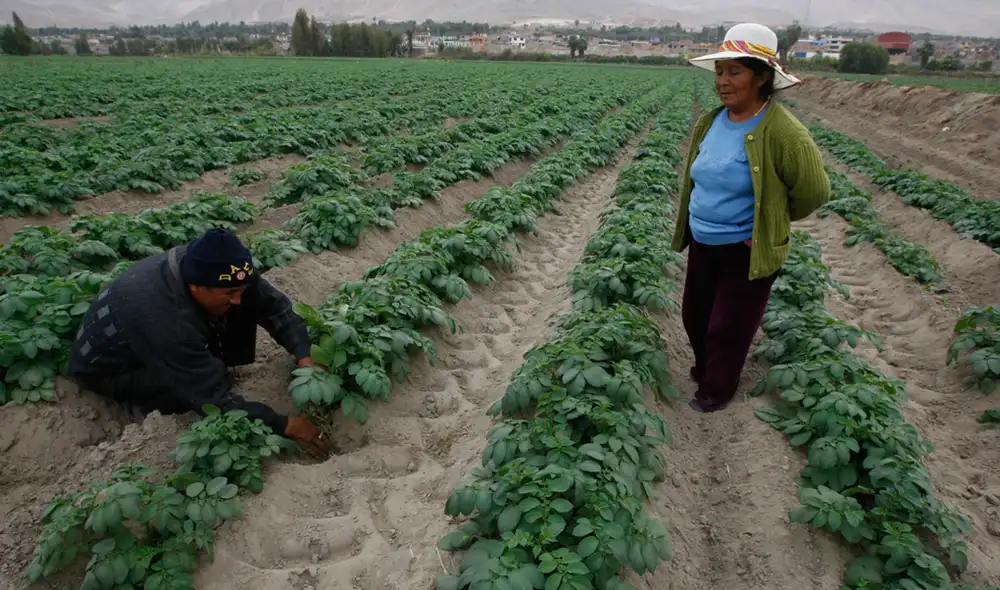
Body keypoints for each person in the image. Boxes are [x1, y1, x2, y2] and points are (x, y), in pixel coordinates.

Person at [671, 23, 830, 413]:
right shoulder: (711, 121)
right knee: (695, 315)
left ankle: (716, 390)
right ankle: (707, 367)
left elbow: (815, 190)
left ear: (762, 78)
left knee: (728, 325)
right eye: (720, 72)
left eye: (734, 72)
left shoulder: (783, 131)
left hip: (746, 245)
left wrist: (772, 216)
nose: (723, 81)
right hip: (704, 238)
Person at [68, 228, 330, 458]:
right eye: (229, 292)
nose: (237, 298)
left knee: (238, 307)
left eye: (241, 289)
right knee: (196, 389)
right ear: (196, 288)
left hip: (155, 334)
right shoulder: (166, 321)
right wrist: (286, 425)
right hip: (112, 370)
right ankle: (143, 403)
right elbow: (212, 399)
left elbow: (273, 308)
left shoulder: (221, 268)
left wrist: (304, 354)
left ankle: (213, 364)